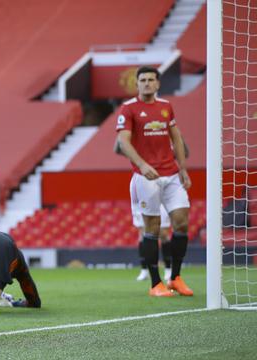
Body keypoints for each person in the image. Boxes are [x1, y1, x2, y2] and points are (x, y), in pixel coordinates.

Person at [115, 66, 193, 297]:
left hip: (171, 175)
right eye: (143, 80)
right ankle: (155, 283)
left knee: (181, 223)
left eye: (151, 80)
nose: (147, 83)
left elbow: (176, 138)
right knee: (153, 229)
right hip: (146, 177)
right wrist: (142, 164)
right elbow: (123, 142)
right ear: (137, 84)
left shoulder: (166, 107)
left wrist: (184, 169)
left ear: (158, 84)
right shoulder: (128, 109)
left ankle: (175, 277)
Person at [114, 140, 172, 282]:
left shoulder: (162, 136)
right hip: (140, 182)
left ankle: (169, 269)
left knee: (163, 232)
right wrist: (124, 137)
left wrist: (177, 139)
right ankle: (145, 269)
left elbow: (185, 152)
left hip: (161, 183)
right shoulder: (137, 141)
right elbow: (117, 149)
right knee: (143, 232)